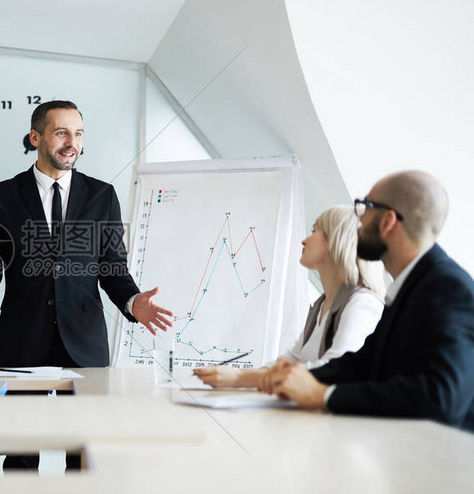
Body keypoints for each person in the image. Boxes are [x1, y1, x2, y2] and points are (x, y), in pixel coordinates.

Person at [0, 100, 174, 368]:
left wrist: (132, 301)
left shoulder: (102, 196)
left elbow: (112, 269)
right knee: (23, 412)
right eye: (62, 132)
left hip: (85, 344)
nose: (72, 142)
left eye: (79, 133)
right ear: (35, 137)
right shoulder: (2, 196)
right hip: (22, 344)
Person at [267, 171, 474, 432]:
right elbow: (361, 365)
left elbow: (439, 396)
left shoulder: (447, 288)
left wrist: (323, 395)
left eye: (365, 208)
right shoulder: (411, 286)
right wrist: (296, 378)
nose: (360, 219)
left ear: (388, 220)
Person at [194, 206, 385, 388]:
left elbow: (334, 370)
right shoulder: (322, 304)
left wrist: (241, 378)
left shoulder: (362, 304)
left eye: (314, 231)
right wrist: (236, 377)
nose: (304, 240)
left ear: (336, 240)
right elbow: (294, 359)